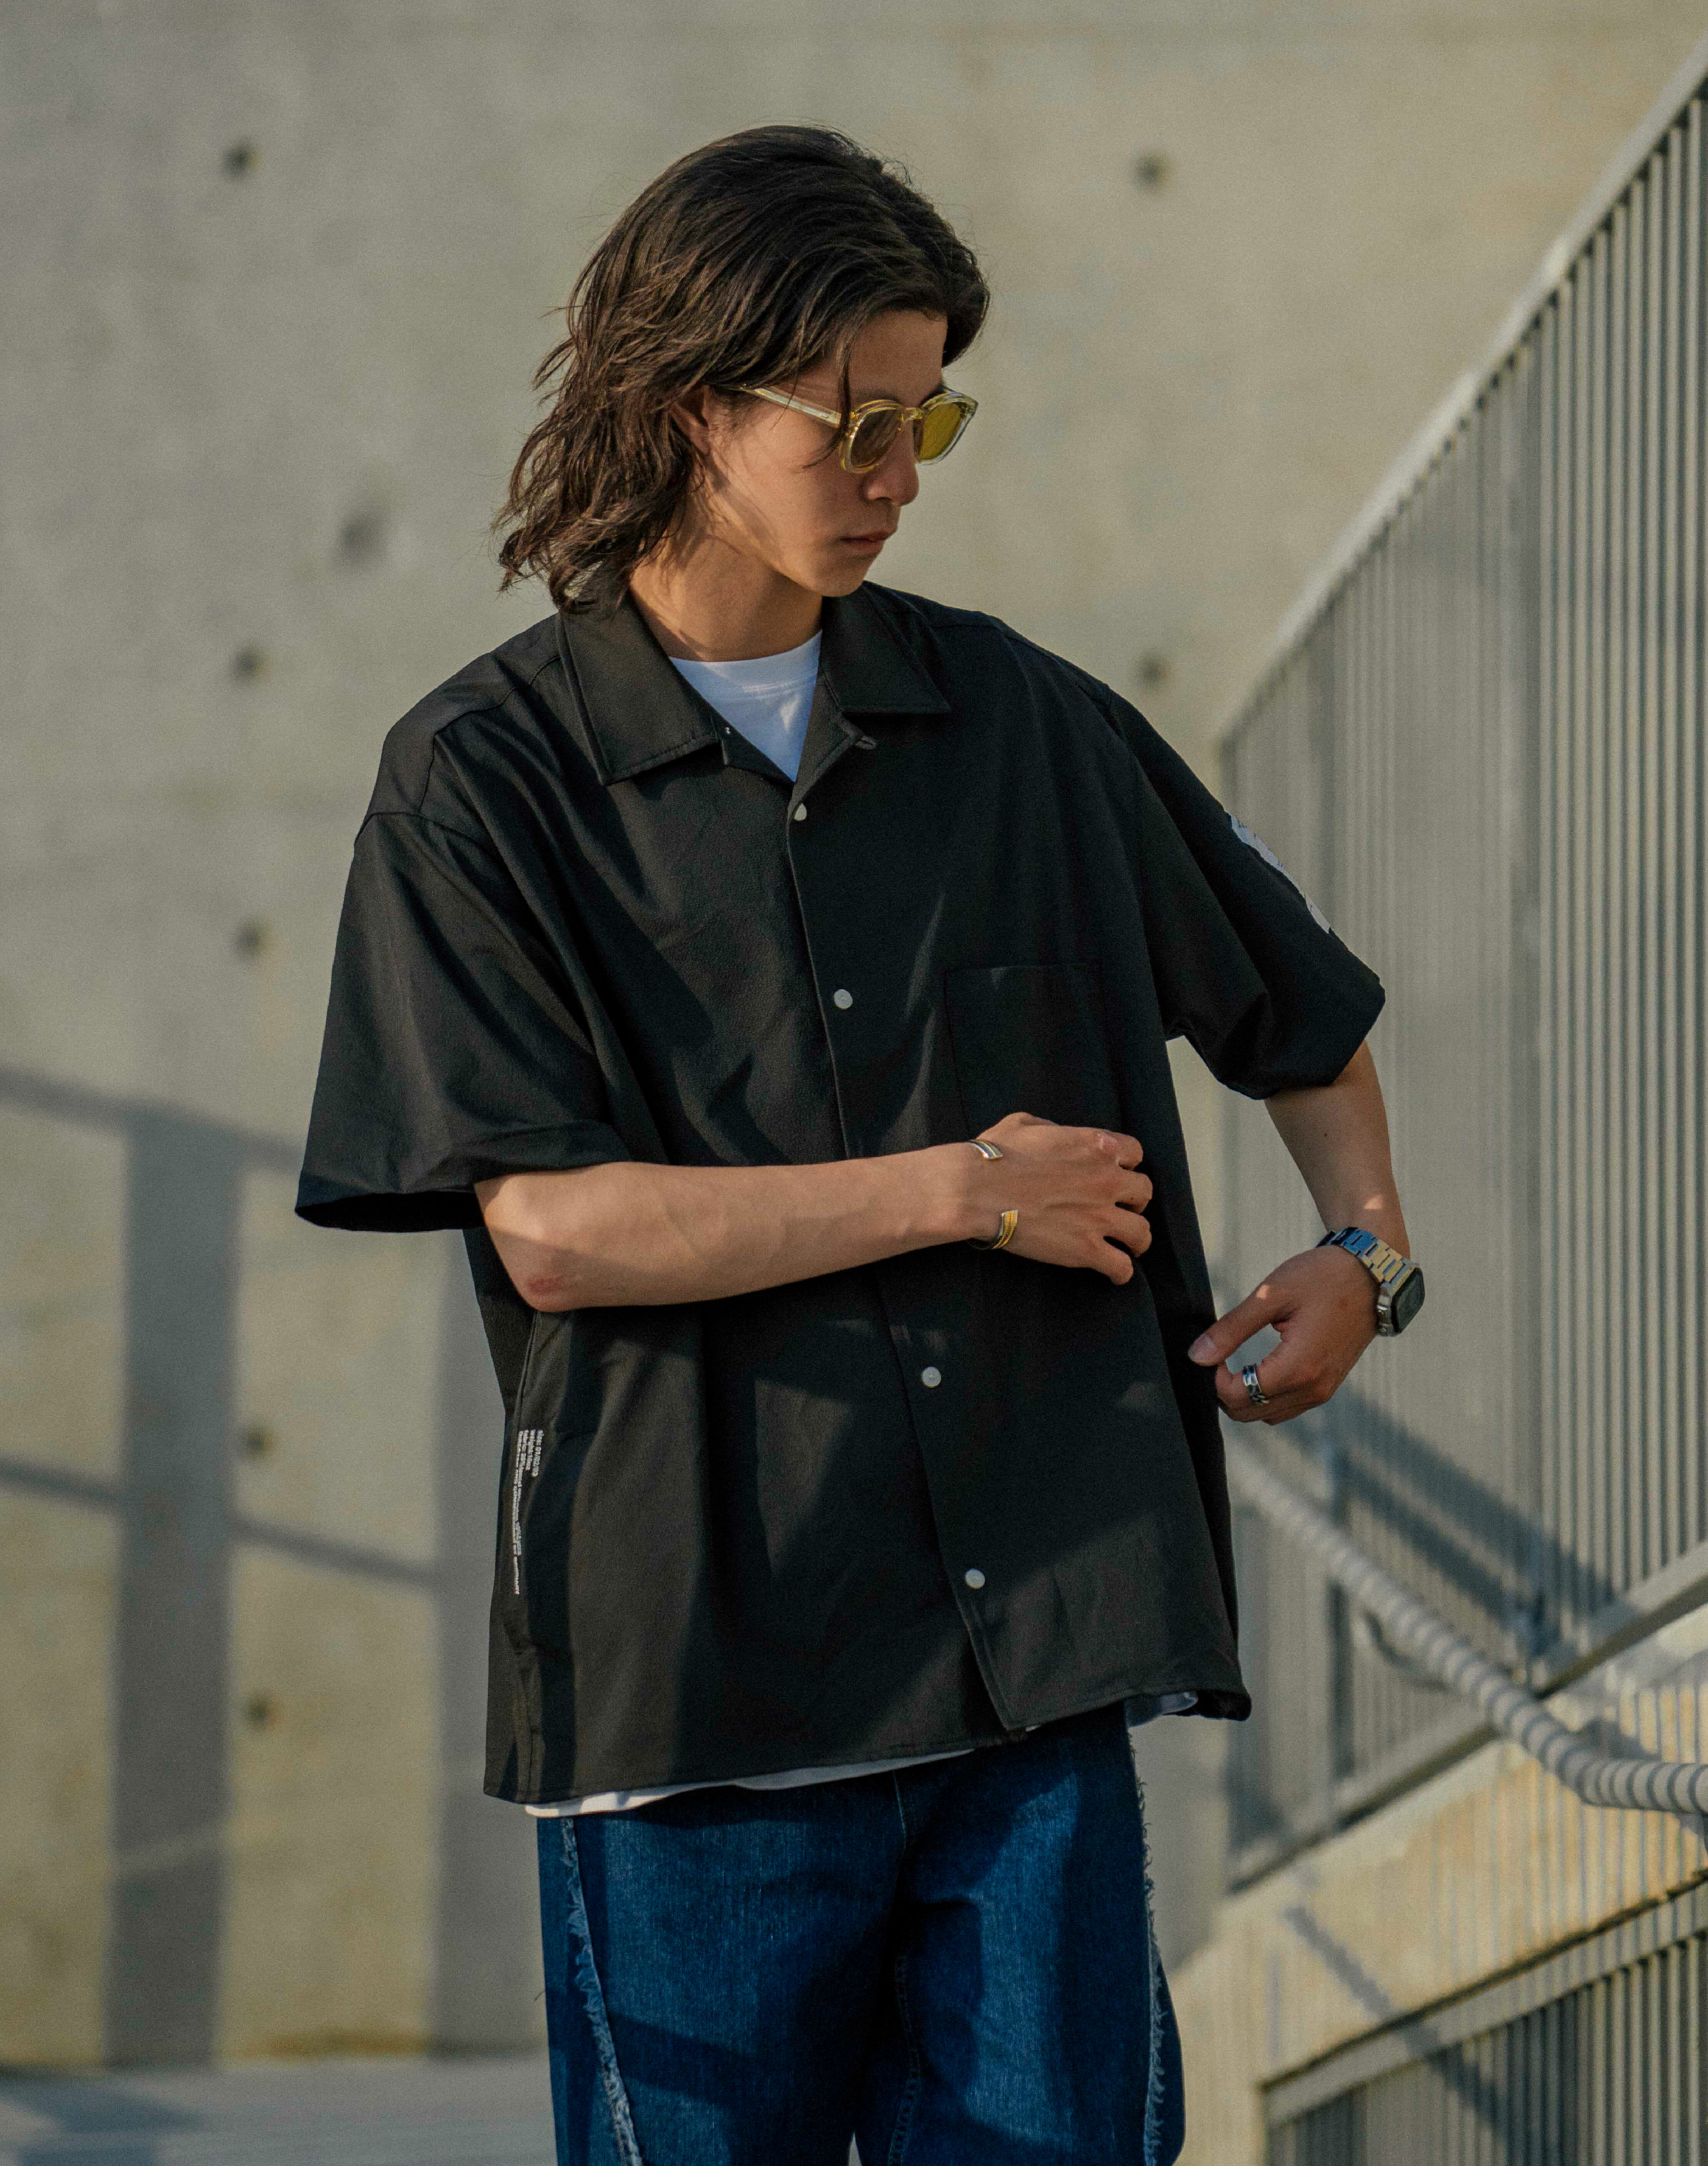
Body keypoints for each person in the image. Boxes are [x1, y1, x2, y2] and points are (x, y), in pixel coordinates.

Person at [297, 124, 1419, 2166]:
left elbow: (1301, 1014)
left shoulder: (1024, 722)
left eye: (932, 418)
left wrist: (1366, 1254)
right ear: (688, 410)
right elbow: (556, 1229)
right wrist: (966, 1191)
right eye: (856, 424)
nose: (902, 472)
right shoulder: (484, 782)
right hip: (699, 1705)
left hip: (1033, 1676)